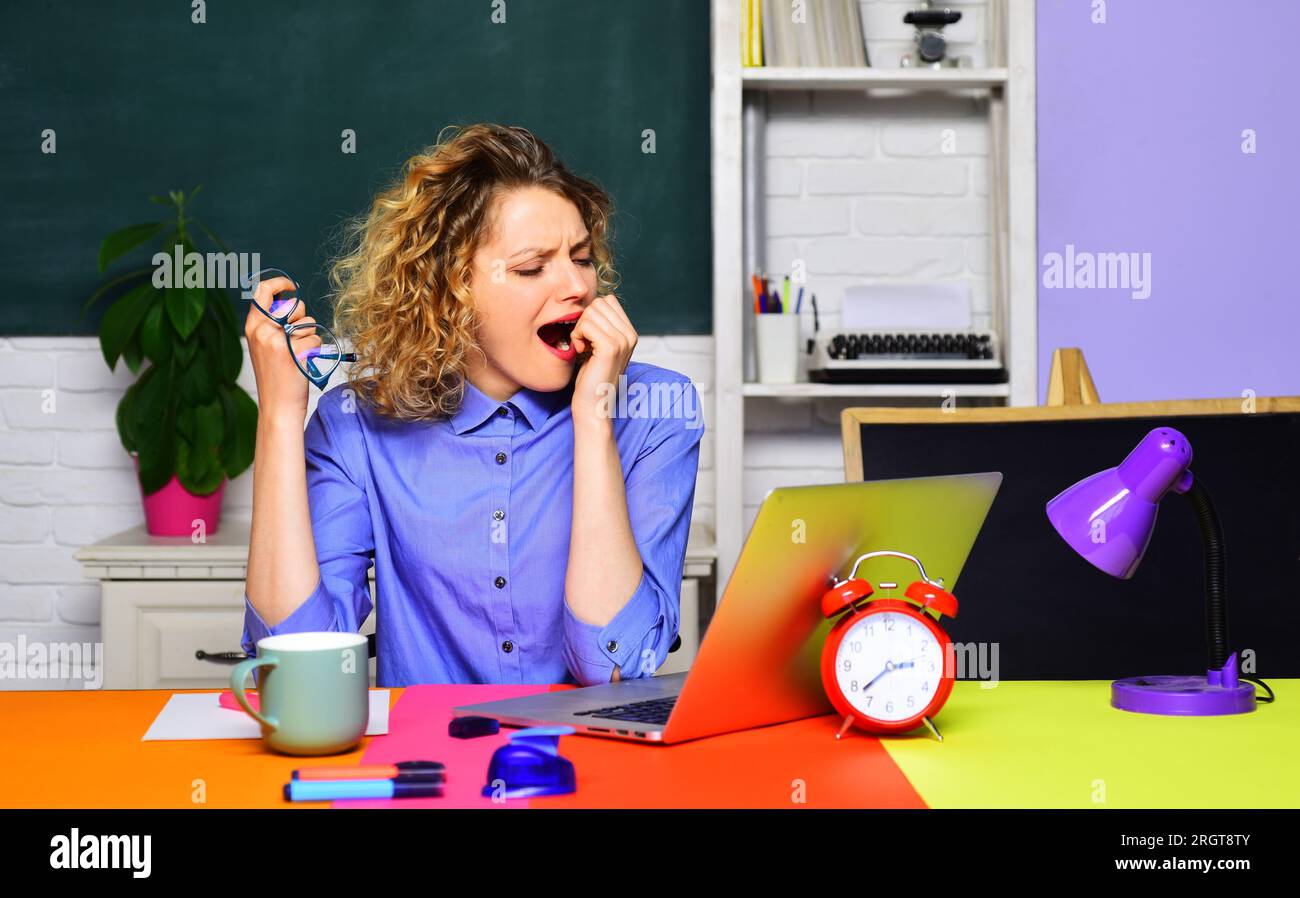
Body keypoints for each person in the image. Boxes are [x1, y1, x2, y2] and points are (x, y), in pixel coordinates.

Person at [239, 123, 704, 687]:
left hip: (588, 762)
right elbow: (293, 673)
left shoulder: (657, 412)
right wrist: (281, 417)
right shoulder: (355, 427)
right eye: (532, 267)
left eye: (581, 258)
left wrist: (594, 416)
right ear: (450, 290)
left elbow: (611, 666)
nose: (578, 287)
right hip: (422, 766)